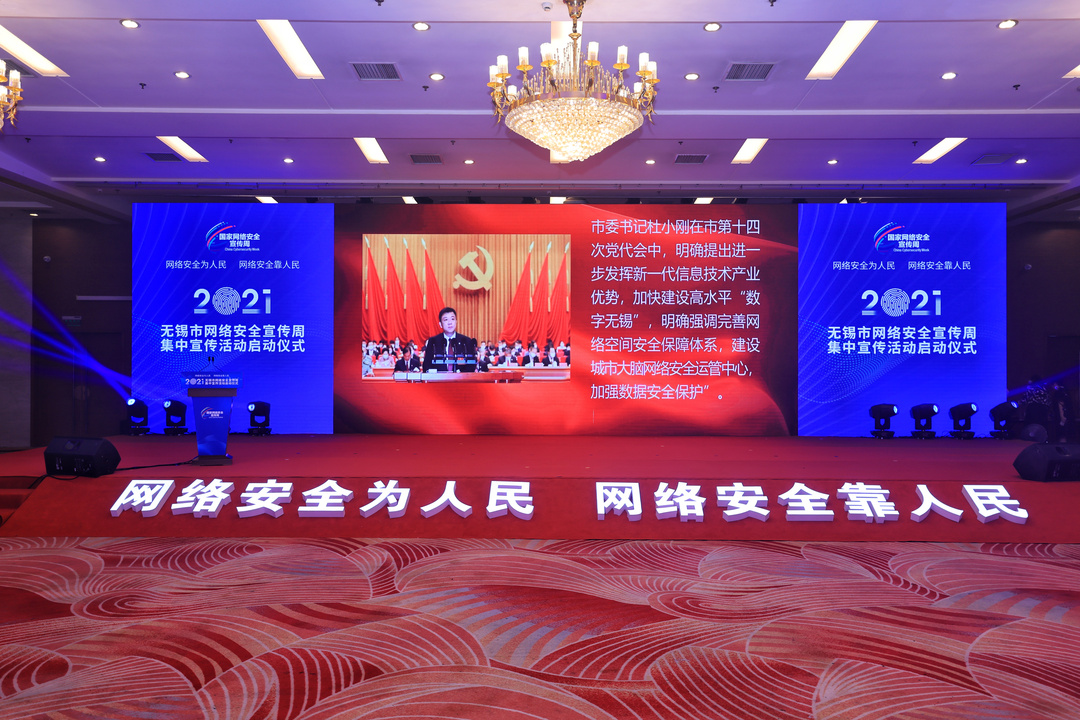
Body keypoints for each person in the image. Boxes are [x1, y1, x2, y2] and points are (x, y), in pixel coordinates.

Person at [422, 306, 477, 372]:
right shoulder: (433, 342)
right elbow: (426, 366)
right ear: (440, 324)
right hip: (439, 378)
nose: (450, 322)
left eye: (452, 319)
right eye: (446, 320)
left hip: (461, 378)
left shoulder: (466, 341)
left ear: (456, 321)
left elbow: (471, 366)